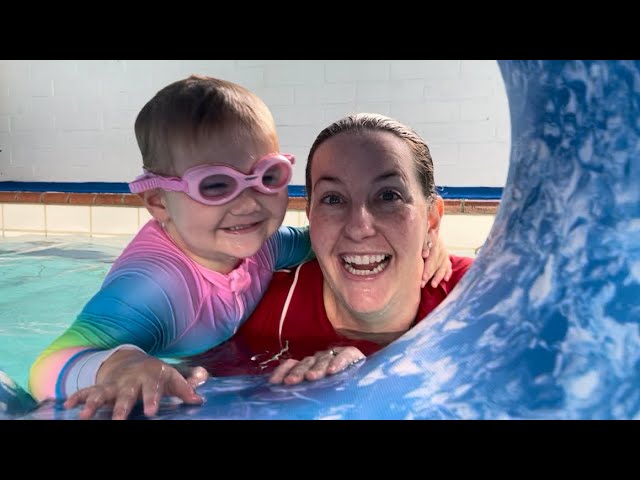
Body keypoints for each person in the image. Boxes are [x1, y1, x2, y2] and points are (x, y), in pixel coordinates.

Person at [27, 77, 451, 420]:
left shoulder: (261, 244)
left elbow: (332, 241)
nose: (249, 203)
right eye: (215, 185)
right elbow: (49, 362)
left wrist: (423, 236)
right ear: (159, 202)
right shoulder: (155, 284)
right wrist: (119, 366)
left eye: (267, 176)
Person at [185, 113, 474, 386]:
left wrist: (372, 374)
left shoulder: (476, 293)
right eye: (333, 199)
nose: (359, 227)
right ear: (310, 217)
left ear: (432, 219)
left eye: (389, 196)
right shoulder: (252, 305)